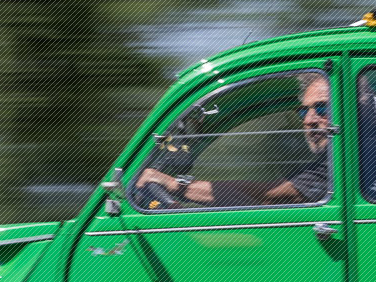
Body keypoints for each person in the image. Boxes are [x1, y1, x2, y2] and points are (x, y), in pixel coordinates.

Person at [136, 71, 334, 206]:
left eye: (321, 108)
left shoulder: (344, 160)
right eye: (303, 111)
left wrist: (174, 185)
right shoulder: (327, 160)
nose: (308, 120)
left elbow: (270, 195)